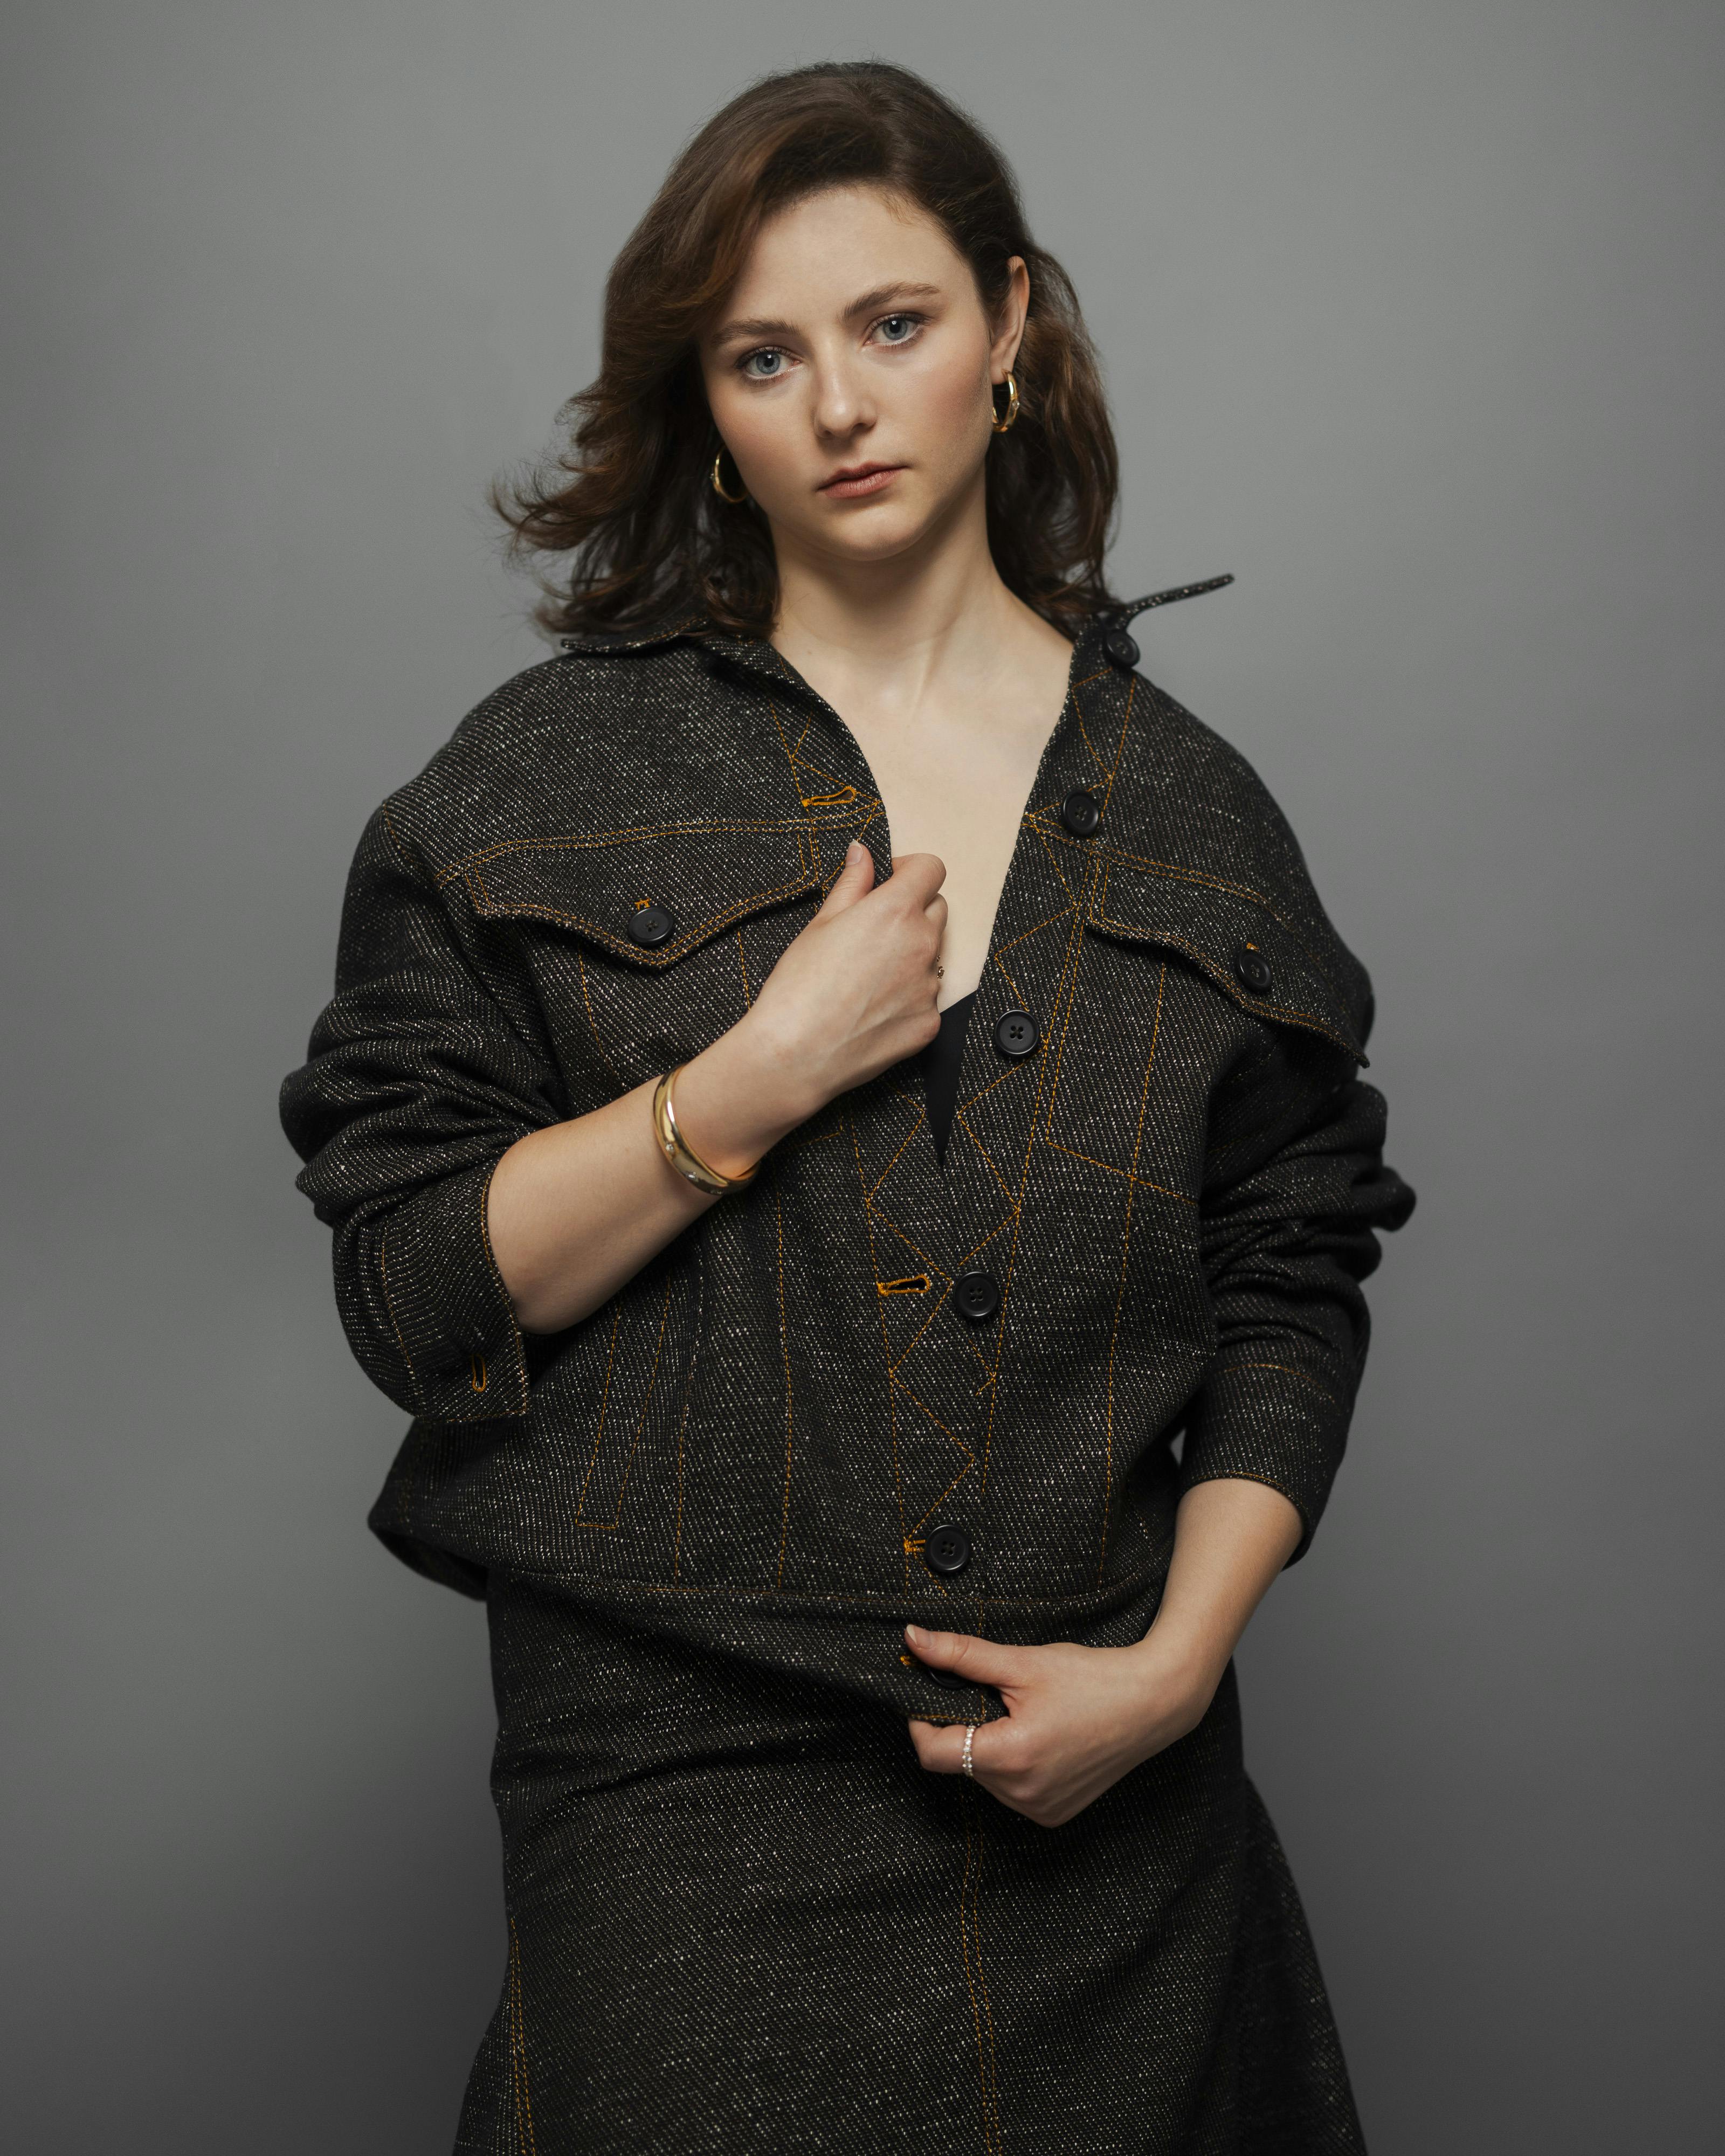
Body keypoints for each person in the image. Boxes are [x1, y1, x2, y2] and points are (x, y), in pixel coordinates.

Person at [281, 59, 1413, 2156]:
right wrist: (750, 1078)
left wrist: (1173, 1666)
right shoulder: (533, 784)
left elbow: (1289, 1273)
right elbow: (413, 1285)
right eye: (761, 355)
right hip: (678, 1810)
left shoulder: (1187, 812)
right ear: (703, 407)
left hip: (1115, 1816)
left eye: (891, 324)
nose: (838, 404)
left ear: (1007, 328)